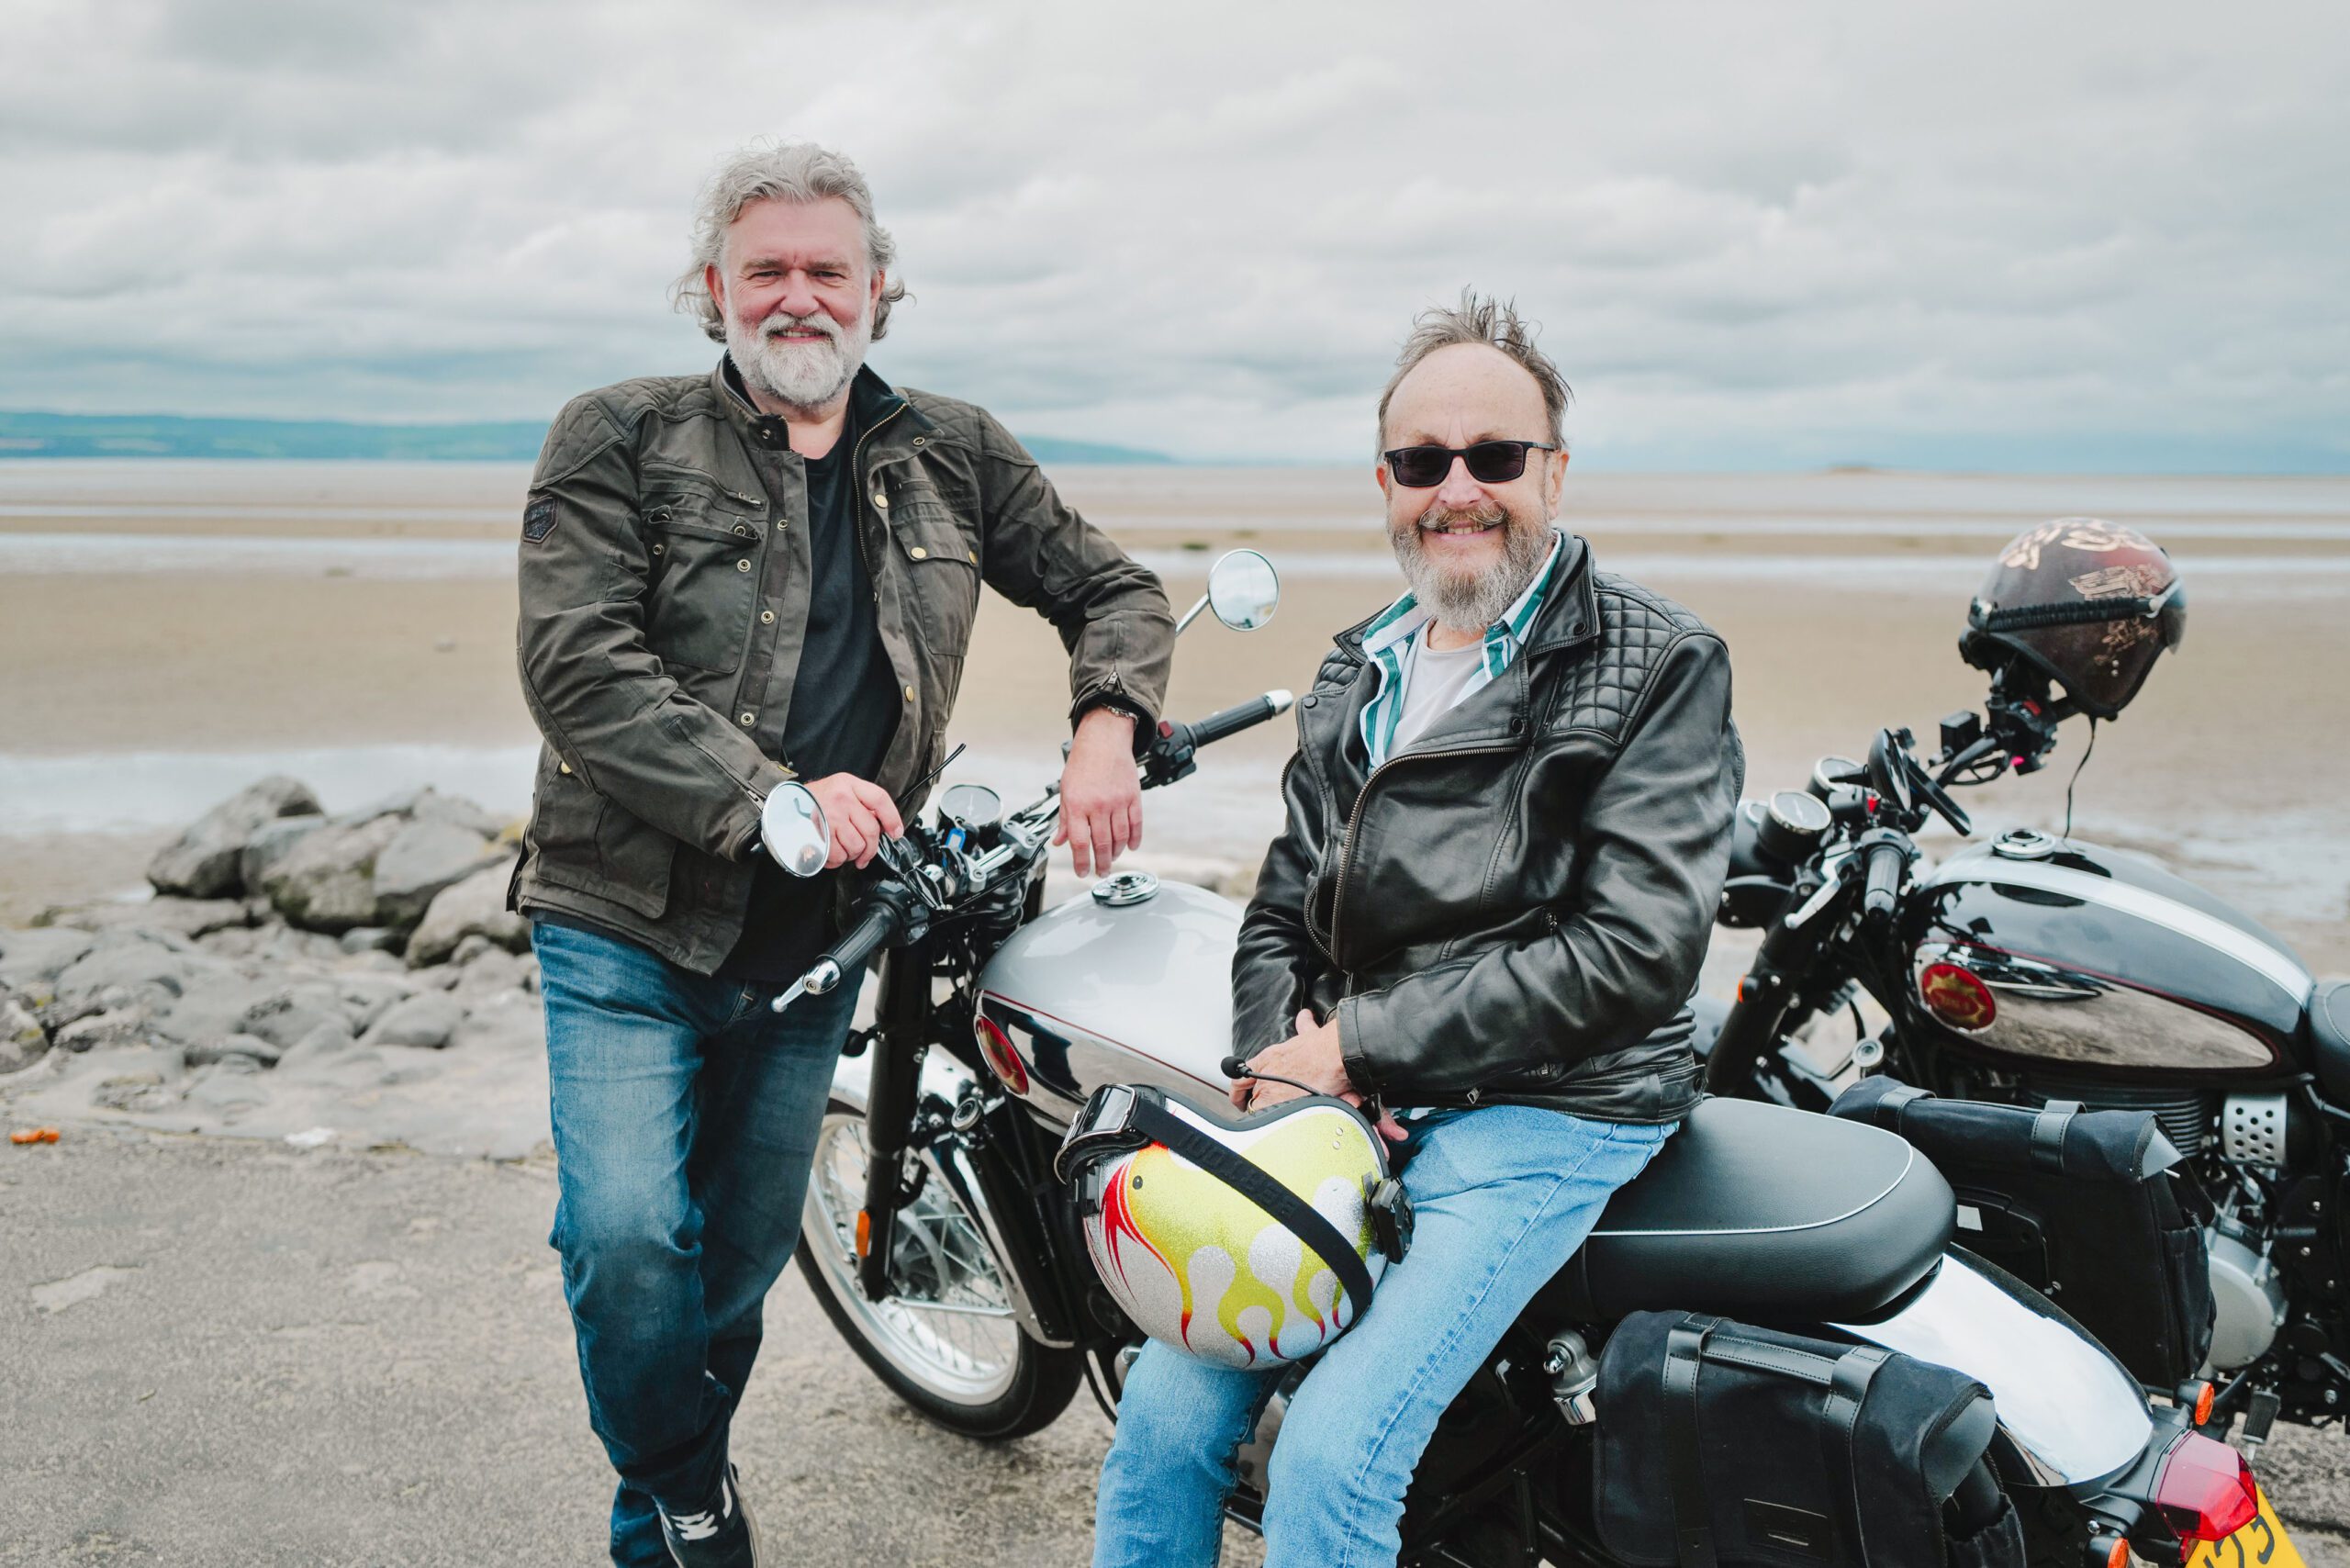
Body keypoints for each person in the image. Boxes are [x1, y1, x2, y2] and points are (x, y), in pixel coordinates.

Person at [512, 140, 1175, 1568]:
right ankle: (687, 1500)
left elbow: (1108, 584)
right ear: (714, 292)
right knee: (626, 1247)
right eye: (768, 271)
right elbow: (578, 665)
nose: (799, 297)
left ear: (880, 289)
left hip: (814, 945)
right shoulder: (615, 434)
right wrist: (768, 795)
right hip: (623, 919)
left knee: (738, 1271)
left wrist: (1110, 722)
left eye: (829, 270)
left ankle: (670, 1511)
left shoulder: (955, 449)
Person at [1090, 294, 1742, 1568]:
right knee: (1163, 1419)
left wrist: (1359, 1053)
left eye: (1495, 458)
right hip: (1357, 1099)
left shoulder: (1657, 661)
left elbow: (1638, 951)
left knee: (1336, 1457)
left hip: (1554, 1109)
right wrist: (1281, 1066)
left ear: (1554, 470)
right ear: (1383, 480)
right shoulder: (1359, 668)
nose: (1459, 491)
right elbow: (1285, 901)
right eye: (1422, 462)